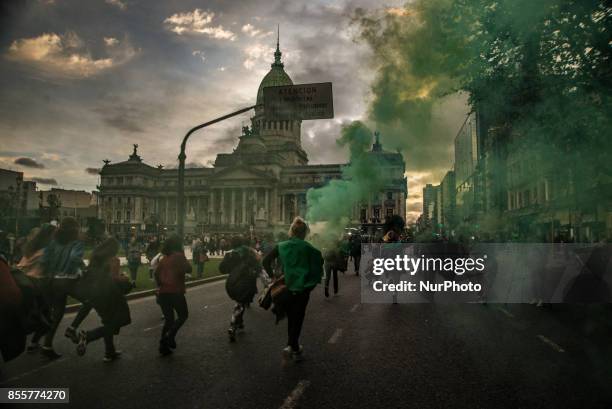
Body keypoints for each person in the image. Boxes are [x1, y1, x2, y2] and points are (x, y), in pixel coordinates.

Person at [262, 217, 323, 362]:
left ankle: (294, 347)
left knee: (292, 317)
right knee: (298, 318)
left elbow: (265, 261)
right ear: (305, 233)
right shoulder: (310, 248)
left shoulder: (281, 245)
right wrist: (311, 283)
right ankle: (290, 346)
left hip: (286, 287)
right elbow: (319, 264)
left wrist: (273, 277)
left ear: (292, 231)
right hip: (302, 289)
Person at [71, 238, 132, 362]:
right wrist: (125, 278)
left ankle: (109, 352)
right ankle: (88, 336)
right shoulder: (114, 260)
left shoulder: (95, 259)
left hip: (96, 295)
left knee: (108, 322)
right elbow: (114, 278)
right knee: (122, 319)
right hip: (111, 294)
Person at [40, 217, 86, 359]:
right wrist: (81, 269)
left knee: (57, 313)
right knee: (90, 300)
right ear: (75, 229)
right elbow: (74, 259)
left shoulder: (53, 242)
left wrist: (51, 273)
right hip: (68, 280)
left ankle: (47, 345)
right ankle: (72, 328)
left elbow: (44, 260)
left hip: (54, 281)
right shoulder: (77, 243)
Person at [17, 224, 56, 352]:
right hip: (39, 285)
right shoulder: (46, 251)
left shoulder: (31, 248)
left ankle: (33, 343)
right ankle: (34, 343)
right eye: (53, 235)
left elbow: (21, 266)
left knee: (37, 315)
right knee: (47, 318)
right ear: (49, 236)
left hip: (24, 283)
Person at [155, 235, 191, 356]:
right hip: (175, 291)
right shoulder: (179, 256)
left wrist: (161, 284)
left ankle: (163, 346)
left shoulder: (164, 258)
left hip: (163, 293)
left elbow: (156, 274)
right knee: (183, 315)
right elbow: (189, 269)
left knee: (169, 320)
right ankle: (170, 336)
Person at [220, 236, 261, 342]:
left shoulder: (229, 254)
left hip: (231, 283)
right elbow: (258, 266)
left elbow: (222, 269)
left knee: (241, 302)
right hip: (245, 283)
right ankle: (232, 325)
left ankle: (240, 322)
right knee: (240, 304)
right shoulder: (248, 253)